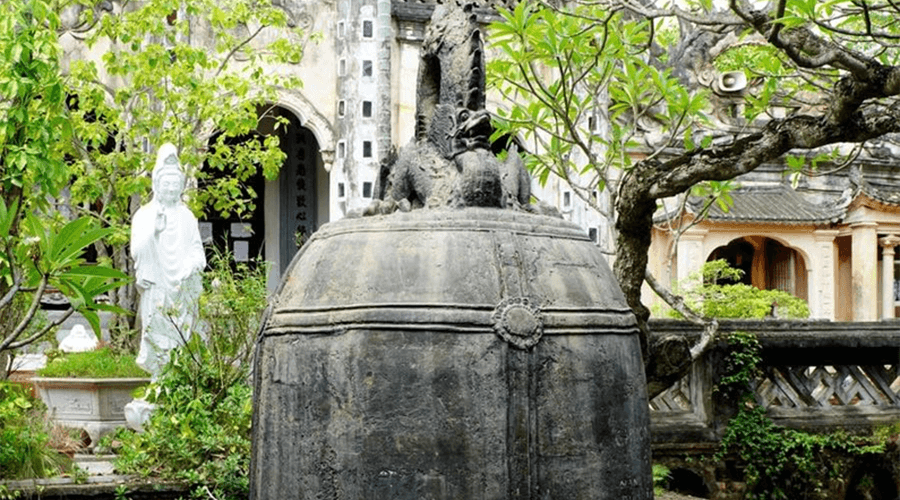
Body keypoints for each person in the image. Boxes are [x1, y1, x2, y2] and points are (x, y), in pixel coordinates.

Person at [130, 143, 206, 379]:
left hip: (181, 288)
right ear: (157, 185)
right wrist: (154, 230)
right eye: (167, 183)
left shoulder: (187, 217)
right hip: (157, 286)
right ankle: (159, 380)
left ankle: (177, 382)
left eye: (176, 184)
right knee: (156, 331)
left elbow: (197, 251)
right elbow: (137, 250)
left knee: (182, 336)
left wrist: (191, 266)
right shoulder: (144, 215)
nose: (172, 188)